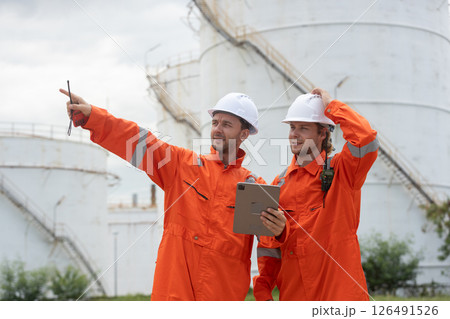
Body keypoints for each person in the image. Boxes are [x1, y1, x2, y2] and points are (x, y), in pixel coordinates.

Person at [59, 89, 286, 301]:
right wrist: (94, 118)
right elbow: (138, 140)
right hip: (174, 294)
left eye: (227, 124)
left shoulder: (253, 186)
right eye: (215, 122)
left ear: (244, 134)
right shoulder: (181, 165)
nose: (217, 129)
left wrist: (279, 235)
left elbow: (270, 247)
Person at [253, 88, 379, 301]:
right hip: (296, 297)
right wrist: (263, 292)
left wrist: (332, 106)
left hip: (341, 297)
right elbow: (268, 247)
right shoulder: (279, 184)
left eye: (304, 128)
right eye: (292, 127)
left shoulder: (343, 171)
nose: (294, 134)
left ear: (323, 133)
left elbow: (365, 138)